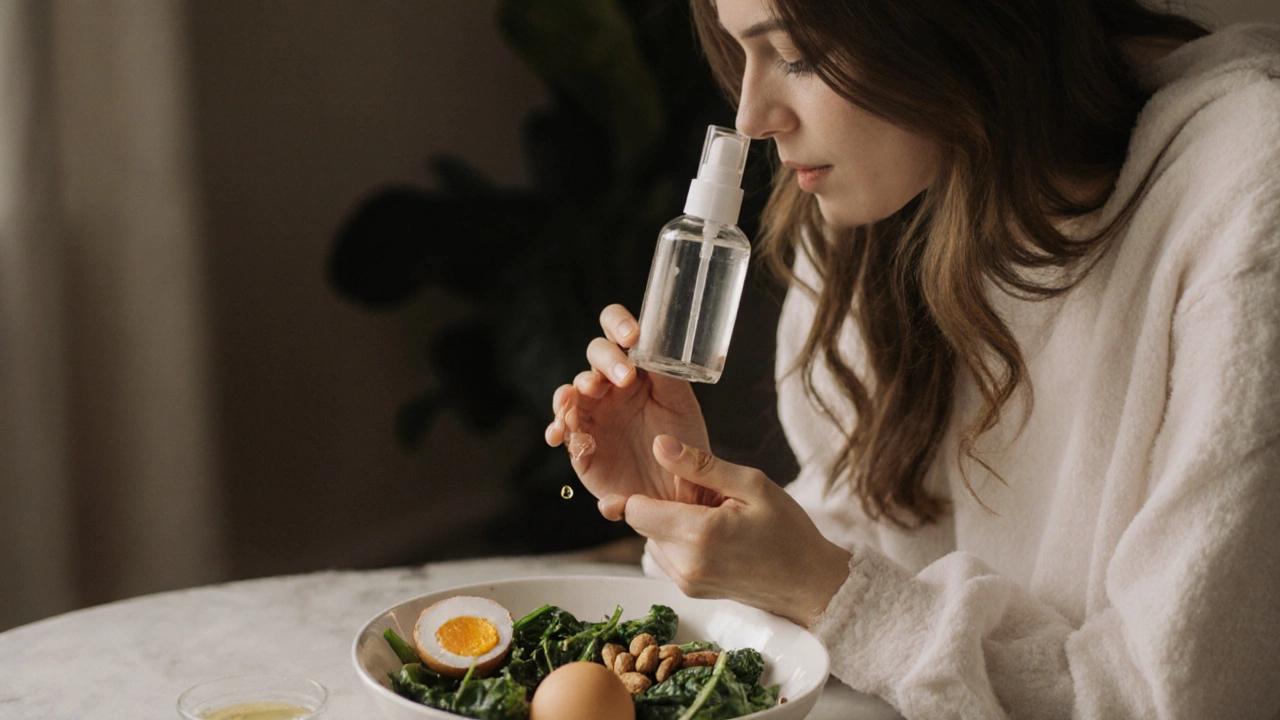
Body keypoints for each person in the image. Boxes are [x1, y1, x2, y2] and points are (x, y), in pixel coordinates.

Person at [545, 0, 1280, 716]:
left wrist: (833, 592)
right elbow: (873, 538)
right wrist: (696, 510)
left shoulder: (1247, 195)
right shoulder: (883, 205)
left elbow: (1175, 696)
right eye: (741, 54)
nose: (752, 117)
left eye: (797, 53)